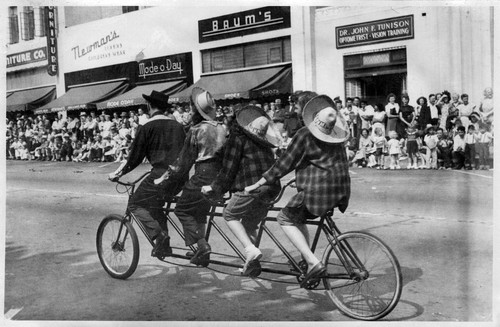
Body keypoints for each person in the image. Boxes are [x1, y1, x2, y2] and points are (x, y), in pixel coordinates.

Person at [245, 93, 350, 288]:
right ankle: (305, 259)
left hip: (319, 191)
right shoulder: (334, 132)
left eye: (297, 107)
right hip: (340, 189)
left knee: (284, 217)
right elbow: (324, 161)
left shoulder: (304, 133)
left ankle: (312, 262)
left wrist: (258, 183)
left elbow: (283, 164)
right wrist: (300, 176)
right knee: (297, 215)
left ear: (306, 111)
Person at [200, 105, 280, 277]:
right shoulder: (263, 142)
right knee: (248, 225)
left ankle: (250, 250)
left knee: (229, 214)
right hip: (270, 188)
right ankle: (252, 264)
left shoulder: (237, 139)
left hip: (252, 187)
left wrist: (213, 188)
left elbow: (228, 170)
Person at [108, 91, 187, 258]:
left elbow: (134, 158)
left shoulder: (147, 127)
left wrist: (117, 174)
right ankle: (163, 247)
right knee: (154, 205)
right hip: (180, 178)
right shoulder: (178, 126)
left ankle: (160, 236)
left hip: (160, 176)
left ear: (149, 106)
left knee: (135, 204)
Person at [154, 87, 227, 267]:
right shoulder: (222, 128)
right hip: (219, 176)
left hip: (203, 174)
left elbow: (183, 162)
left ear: (196, 111)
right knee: (200, 211)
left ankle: (202, 246)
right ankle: (200, 251)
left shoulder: (197, 130)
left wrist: (164, 178)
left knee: (182, 209)